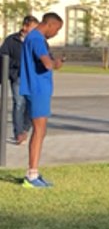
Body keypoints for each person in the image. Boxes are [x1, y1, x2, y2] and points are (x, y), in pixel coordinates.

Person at [19, 12, 64, 188]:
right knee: (39, 131)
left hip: (36, 88)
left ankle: (33, 172)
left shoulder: (31, 37)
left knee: (41, 131)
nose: (56, 34)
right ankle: (32, 174)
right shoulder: (37, 39)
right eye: (57, 29)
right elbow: (46, 63)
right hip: (37, 89)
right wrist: (55, 64)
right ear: (50, 25)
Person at [1, 15, 38, 145]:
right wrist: (16, 67)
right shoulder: (11, 40)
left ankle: (25, 129)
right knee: (19, 104)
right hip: (18, 77)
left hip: (33, 78)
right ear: (25, 26)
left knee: (32, 104)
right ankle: (18, 133)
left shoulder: (37, 40)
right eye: (33, 28)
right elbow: (3, 57)